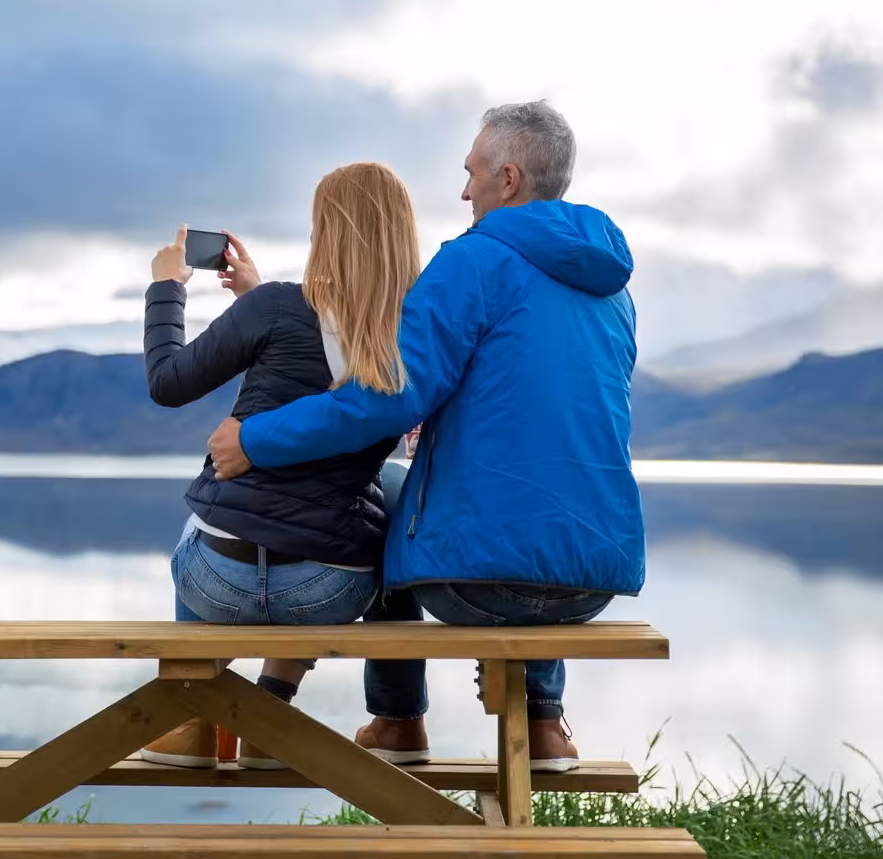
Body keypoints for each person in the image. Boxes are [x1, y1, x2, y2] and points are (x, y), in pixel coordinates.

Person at [206, 101, 644, 772]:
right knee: (537, 505)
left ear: (508, 178)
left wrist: (256, 439)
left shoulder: (472, 263)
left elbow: (382, 400)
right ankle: (546, 725)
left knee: (381, 495)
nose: (463, 191)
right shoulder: (612, 290)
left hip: (482, 583)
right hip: (594, 578)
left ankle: (397, 720)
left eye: (471, 174)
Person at [140, 162, 421, 769]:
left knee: (208, 518)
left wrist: (169, 286)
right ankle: (286, 712)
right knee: (378, 504)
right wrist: (255, 296)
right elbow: (329, 350)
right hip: (325, 592)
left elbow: (167, 383)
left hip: (218, 581)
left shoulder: (274, 310)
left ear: (325, 231)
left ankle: (190, 716)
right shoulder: (415, 335)